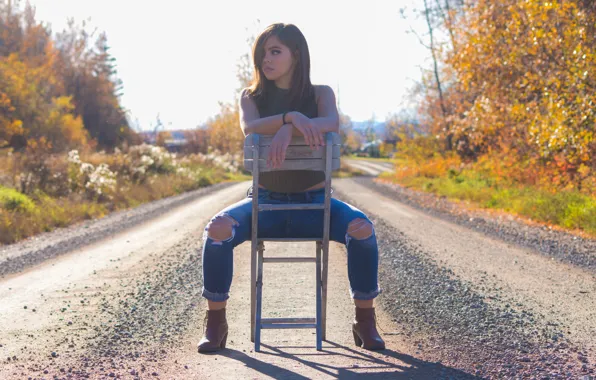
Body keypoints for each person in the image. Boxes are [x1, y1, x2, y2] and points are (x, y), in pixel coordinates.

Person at [198, 23, 385, 353]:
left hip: (316, 206)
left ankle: (365, 321)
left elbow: (330, 124)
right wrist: (290, 118)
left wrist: (291, 125)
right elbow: (251, 128)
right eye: (262, 53)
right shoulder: (250, 97)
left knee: (362, 229)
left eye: (275, 51)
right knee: (217, 230)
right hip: (265, 206)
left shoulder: (321, 93)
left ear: (295, 55)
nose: (265, 60)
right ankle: (215, 324)